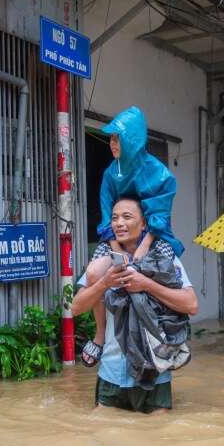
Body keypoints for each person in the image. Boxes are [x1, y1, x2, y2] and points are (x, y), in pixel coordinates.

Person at [72, 197, 198, 414]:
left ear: (144, 224)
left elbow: (191, 304)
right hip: (112, 371)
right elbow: (76, 308)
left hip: (155, 370)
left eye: (127, 217)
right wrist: (105, 283)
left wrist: (147, 284)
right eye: (114, 218)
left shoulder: (163, 258)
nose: (119, 223)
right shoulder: (104, 263)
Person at [82, 106, 183, 367]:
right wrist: (118, 251)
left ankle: (172, 335)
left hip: (153, 235)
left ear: (133, 140)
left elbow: (160, 213)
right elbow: (107, 216)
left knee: (165, 276)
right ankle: (101, 335)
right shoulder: (109, 173)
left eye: (118, 138)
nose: (113, 144)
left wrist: (143, 247)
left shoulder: (158, 172)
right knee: (94, 274)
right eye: (112, 138)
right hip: (116, 239)